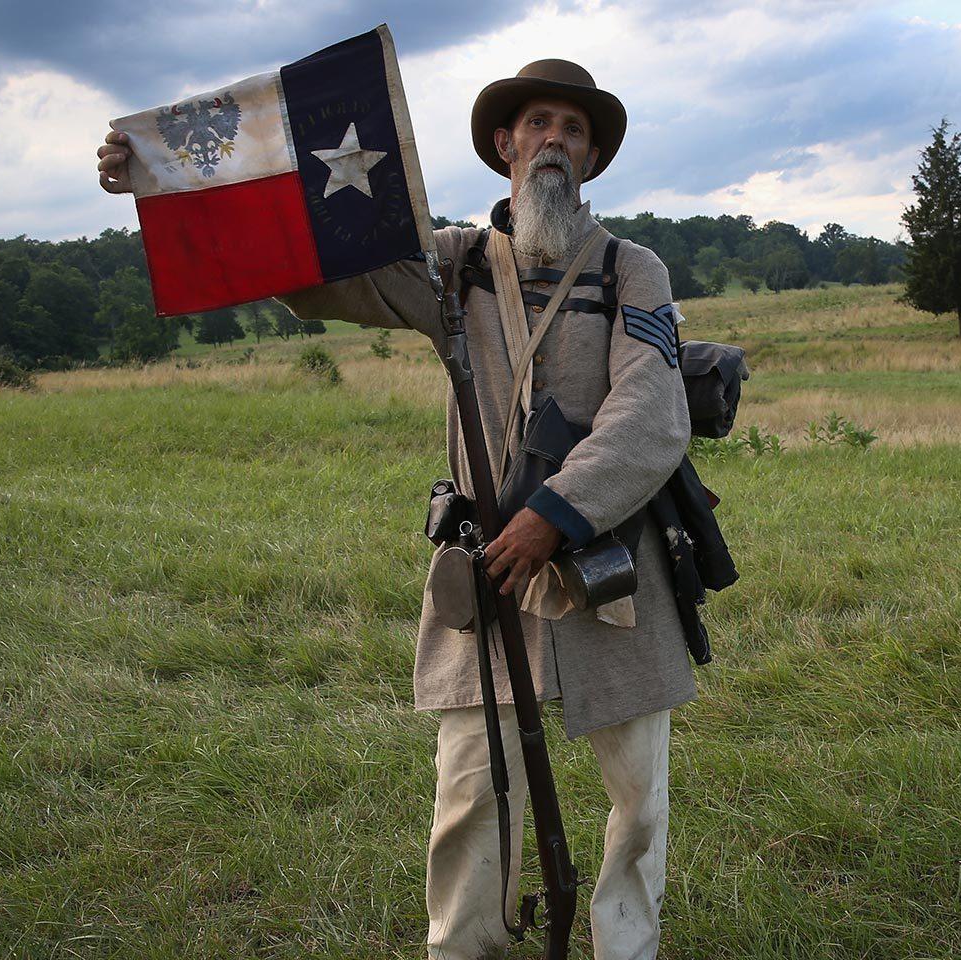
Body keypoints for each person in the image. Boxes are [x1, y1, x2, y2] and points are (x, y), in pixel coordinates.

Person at [98, 58, 696, 960]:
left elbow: (652, 412)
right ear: (504, 144)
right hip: (488, 566)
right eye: (537, 124)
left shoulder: (632, 270)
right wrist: (163, 174)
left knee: (637, 800)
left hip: (607, 565)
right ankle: (464, 948)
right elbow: (323, 277)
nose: (554, 144)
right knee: (471, 793)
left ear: (592, 156)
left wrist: (557, 511)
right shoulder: (452, 263)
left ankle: (627, 947)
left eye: (574, 131)